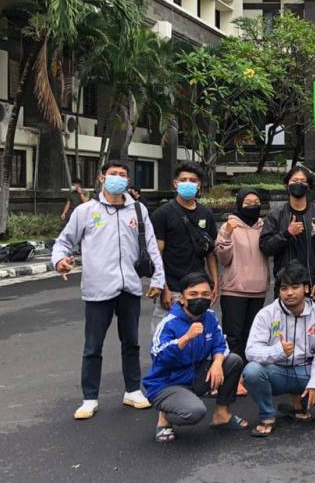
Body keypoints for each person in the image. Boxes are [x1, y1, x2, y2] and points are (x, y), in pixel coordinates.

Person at [52, 160, 164, 420]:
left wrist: (158, 279)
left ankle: (133, 390)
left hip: (129, 287)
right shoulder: (86, 211)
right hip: (98, 288)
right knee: (93, 346)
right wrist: (59, 261)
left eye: (123, 175)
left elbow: (151, 246)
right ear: (102, 178)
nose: (118, 178)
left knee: (131, 343)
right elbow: (64, 242)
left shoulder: (138, 210)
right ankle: (89, 398)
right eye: (113, 174)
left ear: (128, 180)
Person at [243, 262, 315, 437]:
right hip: (276, 371)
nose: (289, 293)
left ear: (306, 288)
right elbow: (251, 351)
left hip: (305, 370)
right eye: (284, 288)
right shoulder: (266, 314)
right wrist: (278, 351)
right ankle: (267, 415)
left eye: (295, 287)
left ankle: (300, 402)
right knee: (252, 371)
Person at [145, 273, 248, 442]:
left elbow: (220, 344)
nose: (199, 298)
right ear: (182, 298)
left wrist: (217, 363)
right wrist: (185, 338)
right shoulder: (169, 322)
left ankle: (221, 415)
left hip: (194, 376)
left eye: (205, 294)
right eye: (193, 294)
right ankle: (165, 417)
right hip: (166, 384)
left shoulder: (210, 317)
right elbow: (158, 356)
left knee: (233, 361)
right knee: (195, 412)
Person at [149, 161, 219, 334]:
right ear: (175, 183)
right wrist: (163, 288)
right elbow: (157, 254)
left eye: (193, 180)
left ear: (199, 185)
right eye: (183, 180)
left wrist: (215, 283)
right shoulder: (162, 214)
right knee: (166, 334)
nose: (188, 183)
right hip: (172, 287)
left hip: (199, 288)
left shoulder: (207, 214)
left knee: (200, 334)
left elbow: (211, 252)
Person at [215, 188, 269, 395]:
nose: (252, 205)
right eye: (247, 202)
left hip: (258, 289)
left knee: (252, 337)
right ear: (239, 203)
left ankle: (247, 376)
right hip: (234, 290)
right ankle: (232, 379)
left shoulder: (264, 226)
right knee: (234, 337)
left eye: (256, 201)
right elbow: (223, 258)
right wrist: (227, 234)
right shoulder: (229, 225)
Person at [259, 165, 315, 308]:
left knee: (314, 321)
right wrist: (286, 233)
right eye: (294, 180)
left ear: (309, 186)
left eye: (303, 181)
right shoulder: (276, 215)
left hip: (312, 284)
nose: (298, 184)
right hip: (285, 285)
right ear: (287, 184)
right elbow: (265, 246)